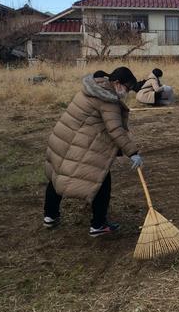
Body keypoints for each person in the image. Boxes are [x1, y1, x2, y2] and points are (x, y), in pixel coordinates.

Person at [43, 67, 143, 237]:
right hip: (78, 143)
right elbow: (115, 130)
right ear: (117, 83)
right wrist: (132, 152)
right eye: (126, 88)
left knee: (58, 174)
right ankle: (98, 224)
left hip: (64, 139)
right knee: (101, 178)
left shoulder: (93, 87)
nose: (126, 93)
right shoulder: (107, 100)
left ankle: (50, 216)